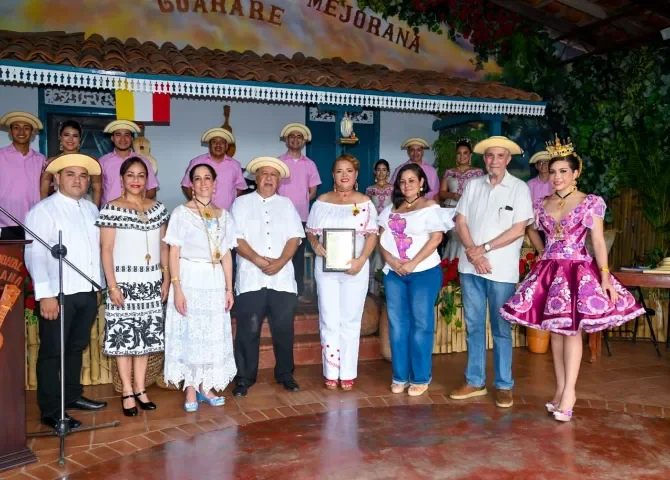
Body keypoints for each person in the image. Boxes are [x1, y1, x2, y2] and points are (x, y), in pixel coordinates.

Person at [500, 135, 645, 422]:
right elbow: (531, 229)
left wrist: (604, 276)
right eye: (553, 171)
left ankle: (570, 393)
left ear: (575, 173)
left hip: (577, 269)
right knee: (555, 331)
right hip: (550, 270)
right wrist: (543, 253)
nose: (557, 176)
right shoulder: (541, 204)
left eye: (563, 171)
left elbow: (599, 242)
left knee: (572, 330)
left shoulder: (590, 202)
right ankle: (560, 390)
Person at [448, 136, 533, 409]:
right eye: (489, 156)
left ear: (508, 160)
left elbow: (518, 229)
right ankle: (475, 381)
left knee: (501, 329)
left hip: (501, 271)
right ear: (483, 159)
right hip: (470, 267)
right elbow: (460, 221)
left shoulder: (519, 189)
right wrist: (473, 252)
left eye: (499, 156)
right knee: (473, 327)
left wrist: (482, 249)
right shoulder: (473, 185)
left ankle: (504, 385)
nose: (493, 160)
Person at [24, 153, 107, 429]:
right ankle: (50, 410)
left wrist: (97, 287)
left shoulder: (91, 210)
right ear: (57, 178)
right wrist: (45, 294)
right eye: (70, 174)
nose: (78, 180)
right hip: (58, 295)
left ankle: (71, 396)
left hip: (86, 292)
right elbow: (34, 255)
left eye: (83, 176)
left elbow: (96, 253)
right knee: (51, 352)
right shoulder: (43, 211)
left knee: (75, 347)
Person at [97, 158, 169, 416]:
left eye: (141, 175)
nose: (136, 180)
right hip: (123, 284)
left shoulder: (158, 208)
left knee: (145, 339)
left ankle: (140, 388)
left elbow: (163, 247)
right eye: (130, 175)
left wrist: (166, 279)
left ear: (147, 179)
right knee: (124, 339)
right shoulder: (111, 208)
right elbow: (106, 249)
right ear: (122, 178)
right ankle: (127, 391)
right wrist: (112, 286)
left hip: (151, 282)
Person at [164, 163, 237, 412]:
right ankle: (191, 388)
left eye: (208, 178)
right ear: (191, 185)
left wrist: (229, 289)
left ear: (215, 183)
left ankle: (207, 385)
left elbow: (226, 254)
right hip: (189, 277)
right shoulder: (181, 213)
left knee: (211, 331)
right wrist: (177, 288)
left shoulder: (224, 215)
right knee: (190, 332)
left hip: (215, 280)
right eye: (198, 178)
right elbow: (173, 252)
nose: (203, 182)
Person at [230, 157, 305, 397]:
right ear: (256, 177)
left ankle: (285, 374)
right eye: (264, 173)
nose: (269, 178)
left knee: (284, 329)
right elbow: (236, 239)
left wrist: (281, 262)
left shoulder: (287, 205)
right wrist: (258, 260)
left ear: (279, 180)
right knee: (247, 330)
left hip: (282, 279)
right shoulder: (240, 204)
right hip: (251, 276)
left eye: (273, 174)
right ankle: (244, 377)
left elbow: (295, 237)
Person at [379, 163, 453, 396]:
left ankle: (420, 376)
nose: (406, 185)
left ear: (422, 183)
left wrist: (413, 263)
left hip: (424, 272)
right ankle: (400, 375)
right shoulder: (392, 208)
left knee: (421, 324)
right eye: (402, 181)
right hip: (395, 274)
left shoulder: (430, 206)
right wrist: (391, 261)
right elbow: (381, 238)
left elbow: (436, 239)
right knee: (397, 325)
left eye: (412, 180)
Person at [306, 154, 378, 391]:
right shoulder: (322, 201)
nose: (344, 175)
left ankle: (347, 372)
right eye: (339, 171)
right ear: (333, 175)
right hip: (326, 269)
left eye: (349, 170)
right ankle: (331, 370)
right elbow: (311, 232)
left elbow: (372, 235)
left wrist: (361, 260)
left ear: (356, 175)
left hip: (355, 267)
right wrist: (315, 245)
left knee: (350, 319)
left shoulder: (365, 203)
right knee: (329, 318)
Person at [277, 123, 321, 304]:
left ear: (303, 141)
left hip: (302, 217)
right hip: (280, 217)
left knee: (299, 255)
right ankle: (281, 289)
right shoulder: (278, 162)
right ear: (287, 140)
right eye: (292, 136)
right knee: (280, 252)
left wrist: (300, 203)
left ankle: (300, 291)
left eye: (299, 137)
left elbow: (313, 191)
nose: (295, 139)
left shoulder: (309, 164)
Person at [0, 111, 47, 240]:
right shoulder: (1, 155)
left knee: (32, 260)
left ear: (33, 133)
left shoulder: (41, 159)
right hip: (4, 223)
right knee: (8, 260)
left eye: (26, 128)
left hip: (33, 222)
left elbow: (45, 190)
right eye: (16, 127)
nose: (21, 132)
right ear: (10, 131)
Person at [438, 138, 485, 260]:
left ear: (470, 155)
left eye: (465, 153)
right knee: (454, 237)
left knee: (468, 236)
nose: (462, 156)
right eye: (459, 153)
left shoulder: (478, 173)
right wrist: (454, 195)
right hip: (451, 210)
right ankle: (451, 268)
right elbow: (441, 193)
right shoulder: (449, 172)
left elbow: (482, 193)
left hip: (470, 211)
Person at [94, 120, 159, 208]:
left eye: (127, 135)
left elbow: (151, 190)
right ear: (112, 138)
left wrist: (135, 205)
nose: (123, 139)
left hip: (136, 212)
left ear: (132, 139)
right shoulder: (103, 161)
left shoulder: (143, 161)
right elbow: (98, 189)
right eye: (118, 135)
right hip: (109, 213)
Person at [180, 128, 247, 211]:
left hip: (226, 213)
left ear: (226, 146)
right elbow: (186, 185)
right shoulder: (196, 162)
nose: (218, 145)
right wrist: (196, 202)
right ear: (209, 145)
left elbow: (240, 187)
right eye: (214, 142)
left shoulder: (235, 165)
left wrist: (230, 199)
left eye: (222, 142)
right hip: (200, 212)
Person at [365, 159, 393, 294]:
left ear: (388, 171)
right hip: (375, 225)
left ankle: (386, 287)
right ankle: (373, 289)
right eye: (378, 169)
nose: (381, 172)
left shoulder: (393, 188)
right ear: (374, 172)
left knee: (387, 251)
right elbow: (366, 209)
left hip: (389, 225)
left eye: (384, 169)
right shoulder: (370, 189)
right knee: (375, 252)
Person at [40, 120, 83, 199]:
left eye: (75, 136)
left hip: (83, 205)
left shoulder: (88, 161)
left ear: (80, 139)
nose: (70, 139)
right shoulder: (51, 161)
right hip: (58, 206)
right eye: (66, 135)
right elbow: (44, 189)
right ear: (60, 137)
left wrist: (94, 208)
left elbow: (96, 187)